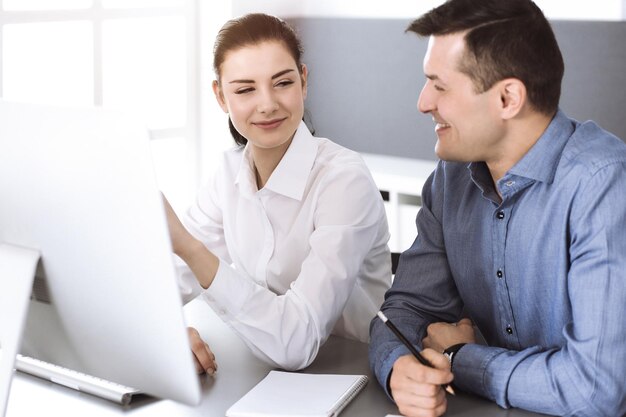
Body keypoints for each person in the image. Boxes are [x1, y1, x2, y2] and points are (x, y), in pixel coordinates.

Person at [368, 0, 626, 416]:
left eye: (439, 85)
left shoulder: (603, 184)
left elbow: (595, 390)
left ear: (508, 97)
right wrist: (399, 367)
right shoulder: (450, 180)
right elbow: (404, 312)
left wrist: (460, 360)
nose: (422, 102)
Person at [164, 13, 391, 376]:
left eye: (282, 83)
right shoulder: (227, 175)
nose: (267, 104)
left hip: (357, 373)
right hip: (265, 377)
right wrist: (165, 331)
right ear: (220, 96)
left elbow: (297, 340)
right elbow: (165, 281)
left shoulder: (343, 181)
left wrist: (188, 247)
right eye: (245, 89)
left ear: (303, 80)